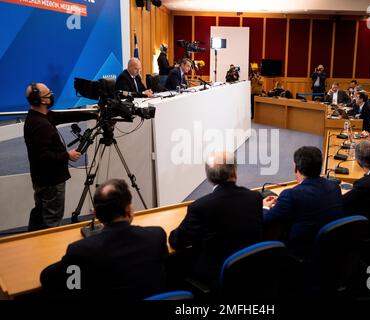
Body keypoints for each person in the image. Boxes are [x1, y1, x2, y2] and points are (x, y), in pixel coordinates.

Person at [40, 179, 168, 300]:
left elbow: (47, 277)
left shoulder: (80, 251)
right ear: (129, 210)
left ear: (96, 215)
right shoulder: (156, 236)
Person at [169, 151, 263, 287]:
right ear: (235, 172)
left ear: (208, 177)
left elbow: (177, 242)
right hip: (250, 272)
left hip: (216, 279)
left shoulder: (200, 207)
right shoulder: (255, 198)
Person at [24, 83, 98, 231]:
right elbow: (42, 156)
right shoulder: (40, 125)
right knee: (51, 220)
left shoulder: (39, 116)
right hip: (51, 180)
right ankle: (48, 250)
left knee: (40, 213)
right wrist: (67, 155)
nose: (52, 94)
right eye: (48, 93)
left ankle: (34, 243)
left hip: (42, 179)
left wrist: (93, 113)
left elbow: (64, 116)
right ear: (42, 101)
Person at [262, 146, 343, 259]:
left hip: (302, 255)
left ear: (296, 168)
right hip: (331, 252)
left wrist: (265, 207)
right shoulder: (334, 187)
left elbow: (266, 220)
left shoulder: (291, 195)